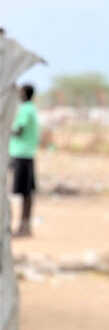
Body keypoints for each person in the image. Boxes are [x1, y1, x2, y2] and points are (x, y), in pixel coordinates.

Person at [9, 84, 39, 237]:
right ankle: (25, 226)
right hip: (27, 154)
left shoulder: (26, 109)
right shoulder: (31, 108)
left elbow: (18, 130)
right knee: (27, 192)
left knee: (23, 192)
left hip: (21, 154)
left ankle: (23, 226)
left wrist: (5, 127)